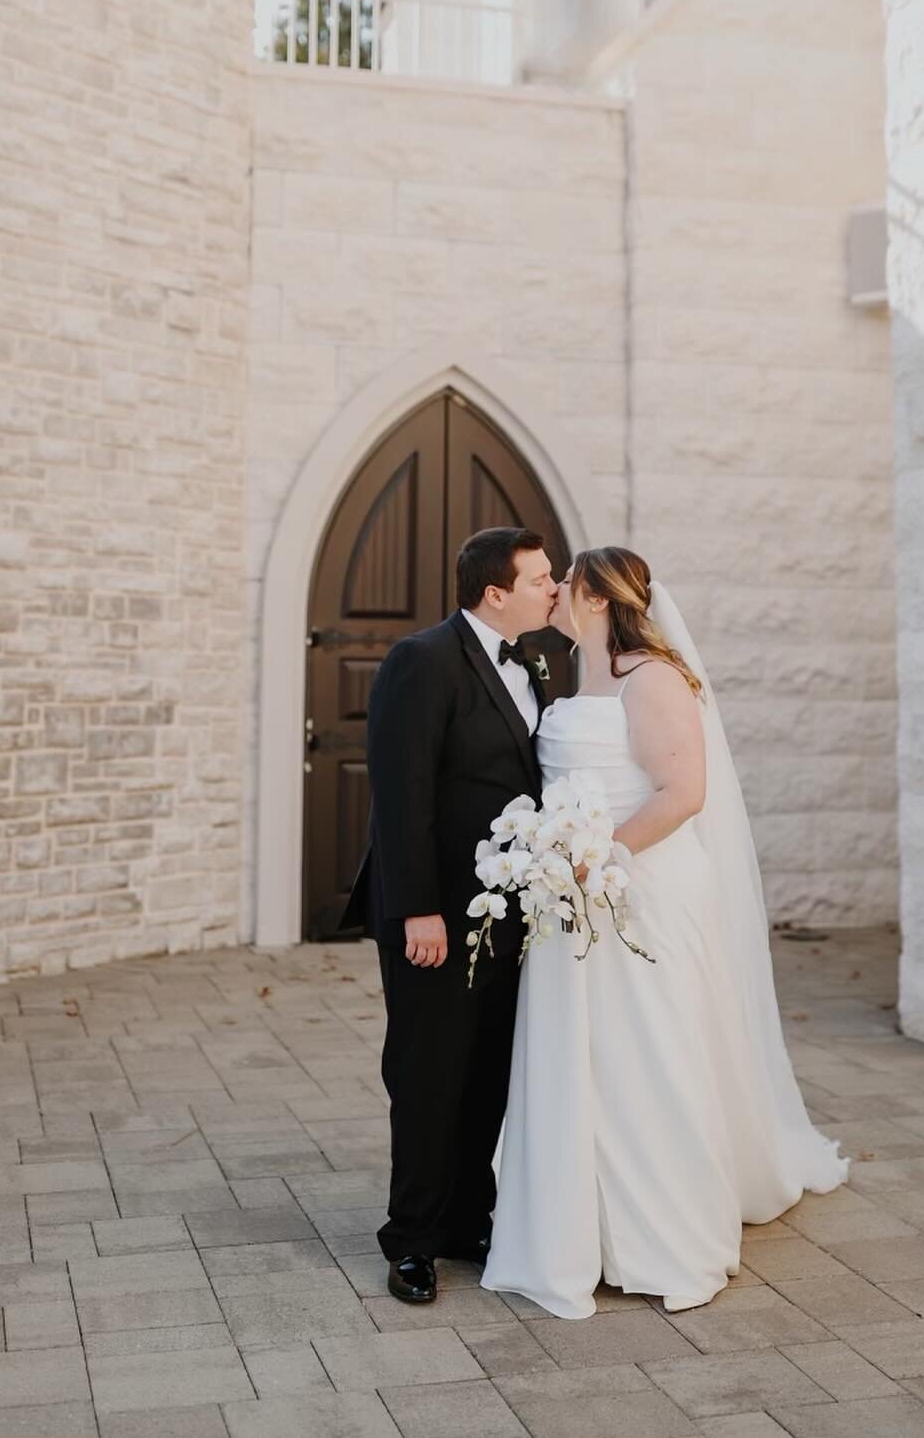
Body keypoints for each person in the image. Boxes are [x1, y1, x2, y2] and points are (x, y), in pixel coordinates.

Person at [481, 546, 849, 1318]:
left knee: (648, 1050)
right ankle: (583, 1229)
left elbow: (683, 792)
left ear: (593, 598)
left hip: (637, 887)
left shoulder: (653, 677)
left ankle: (667, 1235)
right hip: (573, 892)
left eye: (563, 584)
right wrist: (559, 859)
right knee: (581, 1057)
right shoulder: (581, 670)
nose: (551, 595)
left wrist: (596, 856)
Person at [339, 526, 564, 1305]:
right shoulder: (422, 660)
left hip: (507, 910)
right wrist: (419, 912)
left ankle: (470, 1217)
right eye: (540, 577)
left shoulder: (536, 662)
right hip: (436, 915)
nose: (554, 587)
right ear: (495, 592)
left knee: (486, 1073)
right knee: (429, 1072)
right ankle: (412, 1239)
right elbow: (402, 796)